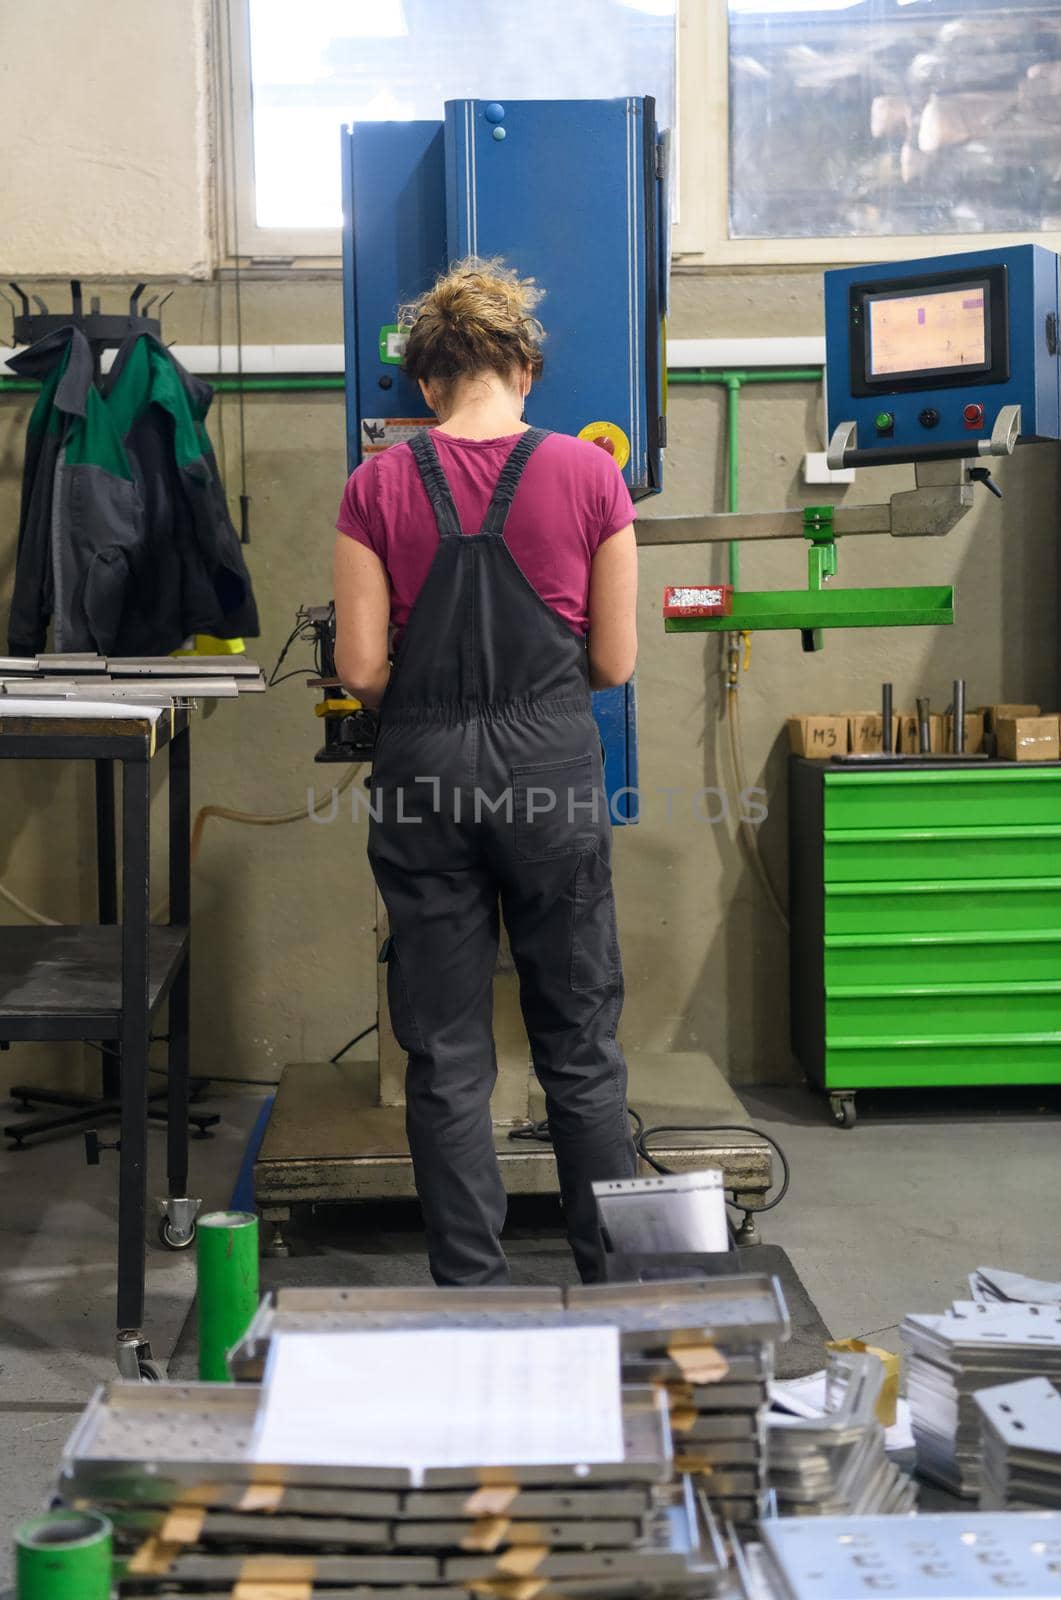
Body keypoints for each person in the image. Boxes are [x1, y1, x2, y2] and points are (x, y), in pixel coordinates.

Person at [333, 257, 638, 1286]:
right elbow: (611, 662)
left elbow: (361, 669)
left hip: (423, 772)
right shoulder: (592, 476)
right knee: (578, 1042)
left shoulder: (373, 484)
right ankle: (610, 1290)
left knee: (447, 1049)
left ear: (425, 383)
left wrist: (432, 714)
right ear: (523, 368)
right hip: (549, 764)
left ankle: (469, 1287)